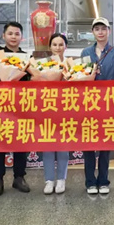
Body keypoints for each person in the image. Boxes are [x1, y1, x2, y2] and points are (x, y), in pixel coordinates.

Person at [0, 0, 31, 197]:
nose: (13, 37)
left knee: (21, 143)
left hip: (21, 106)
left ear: (21, 37)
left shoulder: (27, 57)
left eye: (17, 34)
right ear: (4, 36)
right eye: (10, 33)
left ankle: (19, 177)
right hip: (0, 105)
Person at [80, 17, 114, 195]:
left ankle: (104, 180)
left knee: (106, 145)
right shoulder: (85, 52)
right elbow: (81, 76)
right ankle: (90, 182)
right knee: (88, 145)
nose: (100, 32)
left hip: (109, 104)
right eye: (97, 29)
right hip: (89, 103)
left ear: (109, 31)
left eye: (103, 29)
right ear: (93, 32)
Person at [41, 33, 70, 195]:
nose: (58, 48)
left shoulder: (71, 65)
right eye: (54, 44)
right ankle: (49, 179)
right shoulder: (42, 65)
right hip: (47, 108)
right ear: (49, 47)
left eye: (61, 44)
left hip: (66, 109)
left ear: (66, 47)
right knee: (47, 145)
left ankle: (61, 179)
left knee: (63, 146)